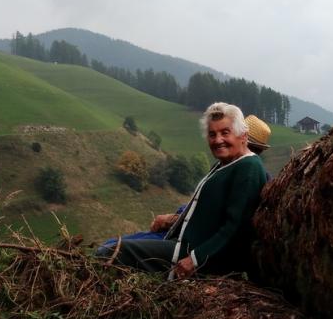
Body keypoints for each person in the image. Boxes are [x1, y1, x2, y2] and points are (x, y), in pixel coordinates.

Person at [97, 102, 267, 278]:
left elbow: (235, 227)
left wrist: (195, 259)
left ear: (243, 135)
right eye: (212, 134)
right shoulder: (226, 164)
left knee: (110, 252)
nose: (217, 140)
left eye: (225, 133)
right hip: (181, 245)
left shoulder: (249, 168)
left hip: (199, 257)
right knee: (112, 246)